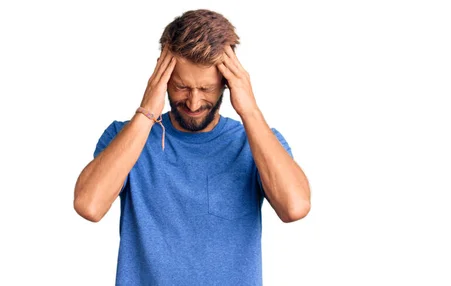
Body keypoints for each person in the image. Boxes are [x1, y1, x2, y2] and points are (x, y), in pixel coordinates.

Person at [73, 9, 311, 285]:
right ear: (162, 78)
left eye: (207, 89)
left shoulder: (257, 141)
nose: (194, 103)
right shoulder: (124, 137)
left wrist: (250, 111)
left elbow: (294, 208)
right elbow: (89, 206)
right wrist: (147, 111)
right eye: (181, 87)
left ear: (227, 83)